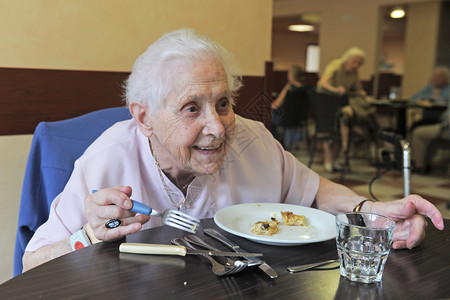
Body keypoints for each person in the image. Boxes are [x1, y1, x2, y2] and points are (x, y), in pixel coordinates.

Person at [22, 29, 444, 272]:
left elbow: (313, 192)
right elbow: (33, 262)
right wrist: (90, 235)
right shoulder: (106, 159)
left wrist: (370, 210)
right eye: (192, 108)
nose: (219, 126)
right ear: (144, 117)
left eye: (223, 103)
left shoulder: (252, 138)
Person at [317, 47, 378, 172]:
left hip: (342, 105)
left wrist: (361, 93)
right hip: (327, 103)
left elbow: (356, 89)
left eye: (359, 64)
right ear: (347, 59)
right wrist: (336, 90)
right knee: (332, 127)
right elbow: (321, 84)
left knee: (345, 123)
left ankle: (337, 157)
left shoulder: (354, 73)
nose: (355, 66)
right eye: (354, 62)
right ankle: (329, 159)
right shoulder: (335, 65)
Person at [270, 65, 309, 149]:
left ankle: (275, 144)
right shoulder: (307, 89)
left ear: (292, 76)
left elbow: (274, 106)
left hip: (286, 119)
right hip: (301, 119)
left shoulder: (288, 89)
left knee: (269, 117)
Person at [409, 66, 450, 132]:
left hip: (441, 119)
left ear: (446, 78)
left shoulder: (448, 89)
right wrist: (425, 100)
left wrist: (433, 101)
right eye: (435, 76)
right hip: (427, 118)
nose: (436, 78)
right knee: (414, 127)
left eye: (440, 76)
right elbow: (413, 98)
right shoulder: (429, 88)